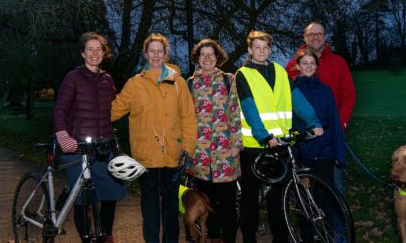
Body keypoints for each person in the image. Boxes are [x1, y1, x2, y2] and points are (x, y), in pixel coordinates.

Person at [236, 30, 323, 243]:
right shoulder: (243, 74)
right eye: (257, 47)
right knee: (251, 200)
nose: (262, 51)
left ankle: (281, 239)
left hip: (280, 144)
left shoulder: (280, 71)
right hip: (255, 145)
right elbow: (249, 107)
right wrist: (263, 135)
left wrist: (313, 121)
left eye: (265, 47)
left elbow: (296, 99)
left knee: (279, 197)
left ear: (270, 49)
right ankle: (249, 238)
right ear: (250, 50)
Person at [111, 33, 197, 243]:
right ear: (146, 54)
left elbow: (189, 118)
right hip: (145, 155)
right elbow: (113, 111)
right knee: (149, 205)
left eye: (160, 51)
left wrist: (188, 148)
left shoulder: (179, 83)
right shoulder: (134, 84)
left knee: (170, 205)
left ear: (165, 54)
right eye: (152, 51)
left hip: (173, 154)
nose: (156, 55)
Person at [53, 32, 125, 243]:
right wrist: (63, 135)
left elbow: (112, 112)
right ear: (82, 53)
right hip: (77, 147)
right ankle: (86, 238)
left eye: (99, 49)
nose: (95, 53)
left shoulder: (107, 80)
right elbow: (60, 109)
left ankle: (105, 236)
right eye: (90, 49)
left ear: (104, 53)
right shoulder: (73, 77)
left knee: (111, 194)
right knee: (82, 200)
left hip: (103, 147)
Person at [285, 22, 356, 193]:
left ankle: (336, 221)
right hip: (303, 138)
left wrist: (339, 124)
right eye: (311, 34)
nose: (315, 37)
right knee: (304, 188)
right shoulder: (291, 66)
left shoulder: (338, 63)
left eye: (319, 34)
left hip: (329, 134)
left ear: (325, 37)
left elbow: (349, 96)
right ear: (305, 37)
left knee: (333, 185)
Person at [186, 39, 241, 243]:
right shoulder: (190, 83)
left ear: (218, 58)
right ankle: (213, 237)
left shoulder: (228, 80)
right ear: (197, 58)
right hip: (200, 154)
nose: (207, 58)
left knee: (227, 202)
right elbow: (186, 117)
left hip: (225, 153)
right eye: (203, 55)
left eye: (211, 54)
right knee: (206, 202)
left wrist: (236, 143)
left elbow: (235, 112)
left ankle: (228, 239)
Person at [291, 49, 346, 186]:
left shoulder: (325, 90)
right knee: (305, 194)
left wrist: (339, 153)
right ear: (298, 66)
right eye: (305, 63)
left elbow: (333, 120)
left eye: (312, 63)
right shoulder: (291, 90)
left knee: (325, 190)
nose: (309, 66)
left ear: (316, 66)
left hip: (324, 149)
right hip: (302, 149)